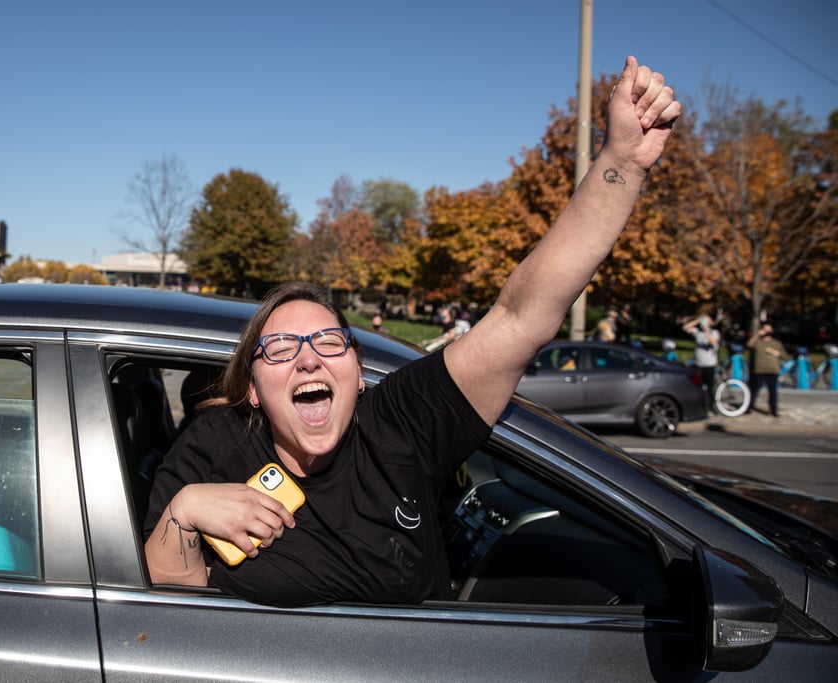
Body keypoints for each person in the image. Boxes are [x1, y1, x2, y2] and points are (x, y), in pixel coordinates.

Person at [143, 56, 681, 607]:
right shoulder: (215, 445)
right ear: (253, 387)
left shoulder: (399, 425)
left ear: (356, 373)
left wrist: (624, 162)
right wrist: (184, 514)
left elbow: (522, 316)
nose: (308, 360)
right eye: (280, 348)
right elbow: (168, 596)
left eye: (329, 342)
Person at [747, 322, 785, 417]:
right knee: (754, 390)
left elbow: (784, 355)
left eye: (769, 329)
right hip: (759, 370)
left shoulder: (776, 343)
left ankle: (773, 410)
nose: (767, 331)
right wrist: (757, 334)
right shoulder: (758, 342)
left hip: (772, 371)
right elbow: (749, 345)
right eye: (765, 329)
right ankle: (748, 408)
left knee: (772, 392)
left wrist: (773, 352)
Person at [682, 312, 721, 407]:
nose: (704, 322)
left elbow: (714, 342)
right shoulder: (698, 333)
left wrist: (706, 330)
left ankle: (711, 406)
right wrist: (698, 320)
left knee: (709, 388)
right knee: (697, 387)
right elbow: (685, 327)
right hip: (698, 364)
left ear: (711, 322)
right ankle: (698, 405)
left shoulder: (714, 333)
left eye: (707, 320)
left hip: (709, 365)